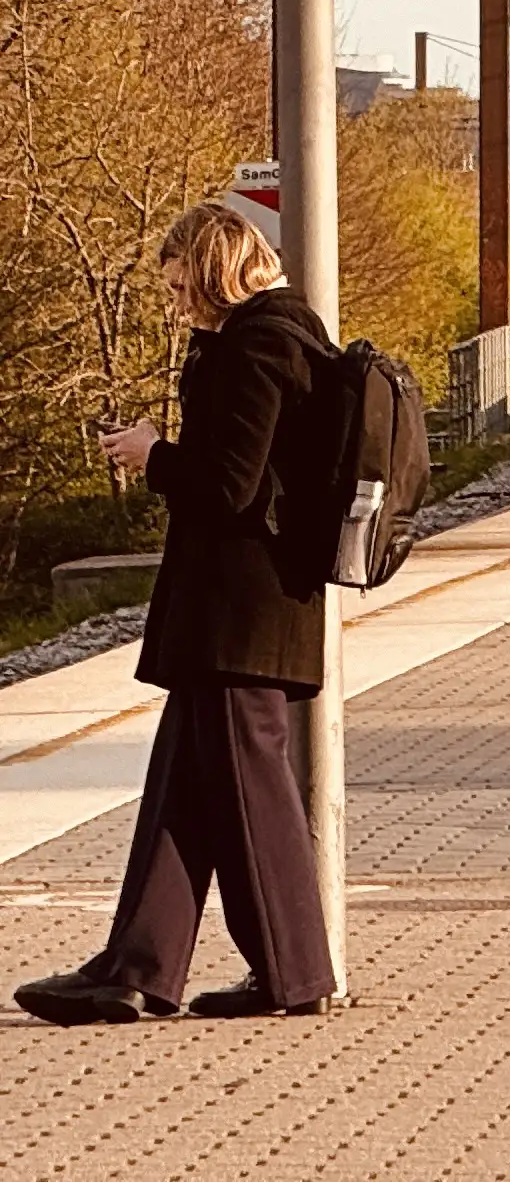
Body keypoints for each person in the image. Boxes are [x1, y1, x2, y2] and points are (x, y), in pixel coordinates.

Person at [14, 201, 339, 1024]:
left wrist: (152, 453)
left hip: (242, 615)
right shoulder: (271, 340)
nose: (173, 303)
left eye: (177, 286)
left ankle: (294, 974)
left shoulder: (261, 346)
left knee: (251, 791)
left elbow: (229, 485)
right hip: (235, 614)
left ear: (209, 269)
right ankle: (137, 968)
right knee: (181, 795)